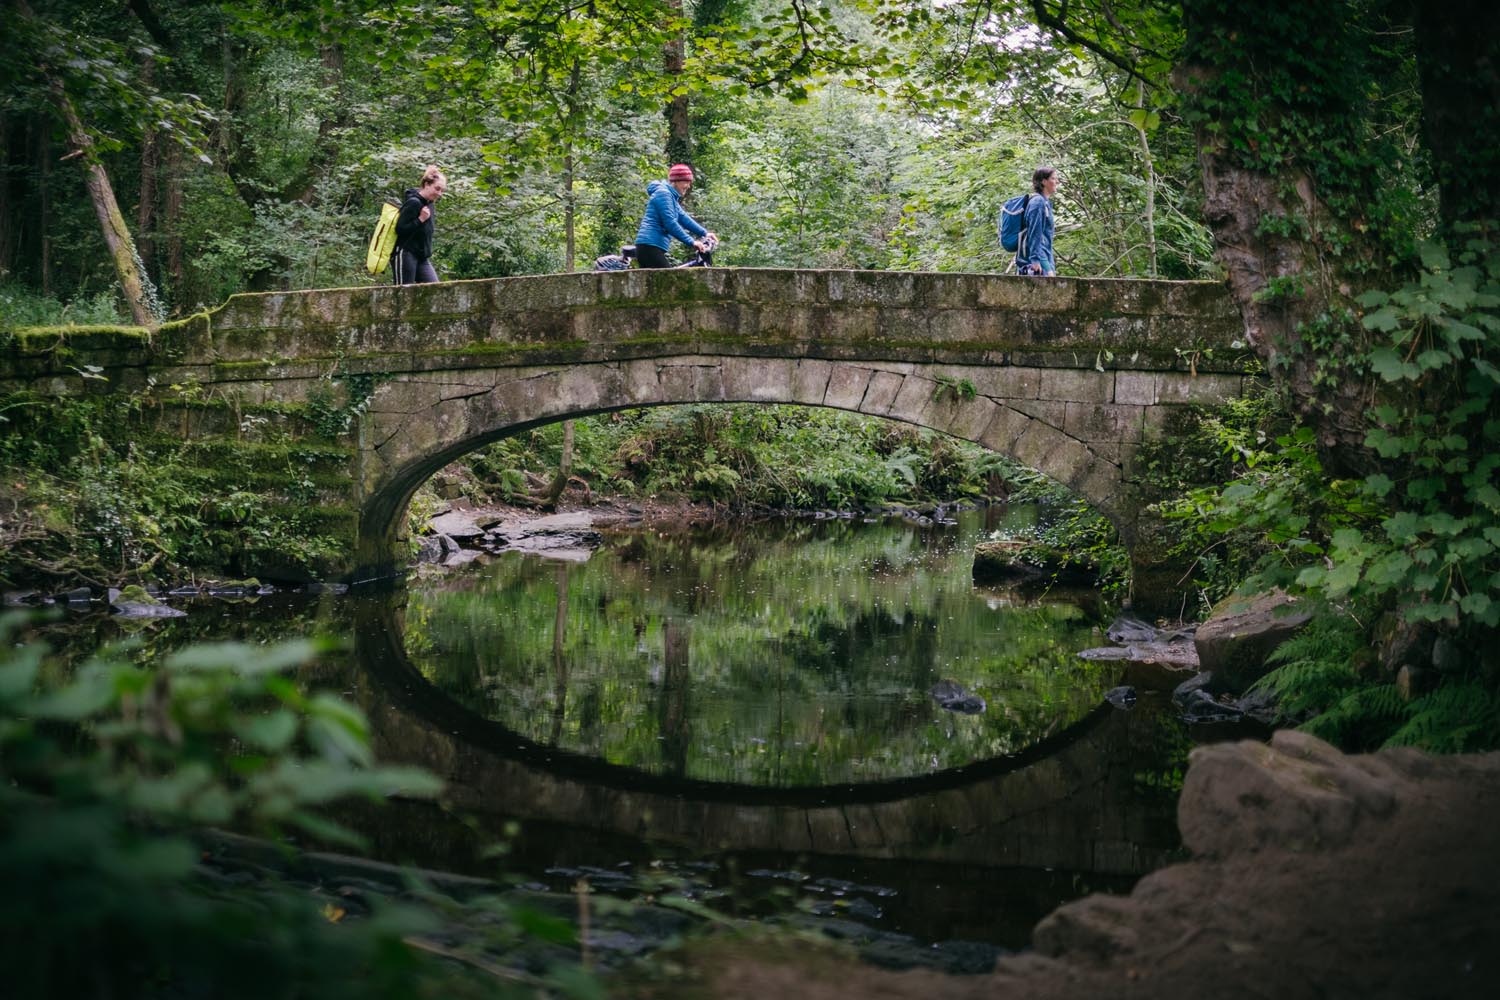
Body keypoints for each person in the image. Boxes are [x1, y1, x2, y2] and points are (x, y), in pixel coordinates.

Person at [633, 163, 715, 269]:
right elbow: (670, 223)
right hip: (649, 246)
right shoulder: (663, 194)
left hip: (651, 247)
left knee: (658, 284)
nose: (688, 186)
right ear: (675, 181)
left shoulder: (670, 197)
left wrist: (705, 233)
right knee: (669, 283)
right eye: (686, 182)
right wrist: (692, 242)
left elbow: (683, 218)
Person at [392, 165, 446, 284]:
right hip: (406, 253)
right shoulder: (413, 203)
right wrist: (420, 219)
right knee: (404, 295)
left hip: (422, 257)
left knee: (435, 289)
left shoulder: (429, 204)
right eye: (437, 189)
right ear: (427, 184)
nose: (440, 193)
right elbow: (400, 229)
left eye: (442, 190)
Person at [1016, 166, 1058, 277]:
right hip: (1038, 264)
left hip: (1044, 258)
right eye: (1053, 178)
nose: (1057, 182)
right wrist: (1039, 263)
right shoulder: (1038, 202)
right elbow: (1035, 235)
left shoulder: (1045, 203)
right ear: (1044, 181)